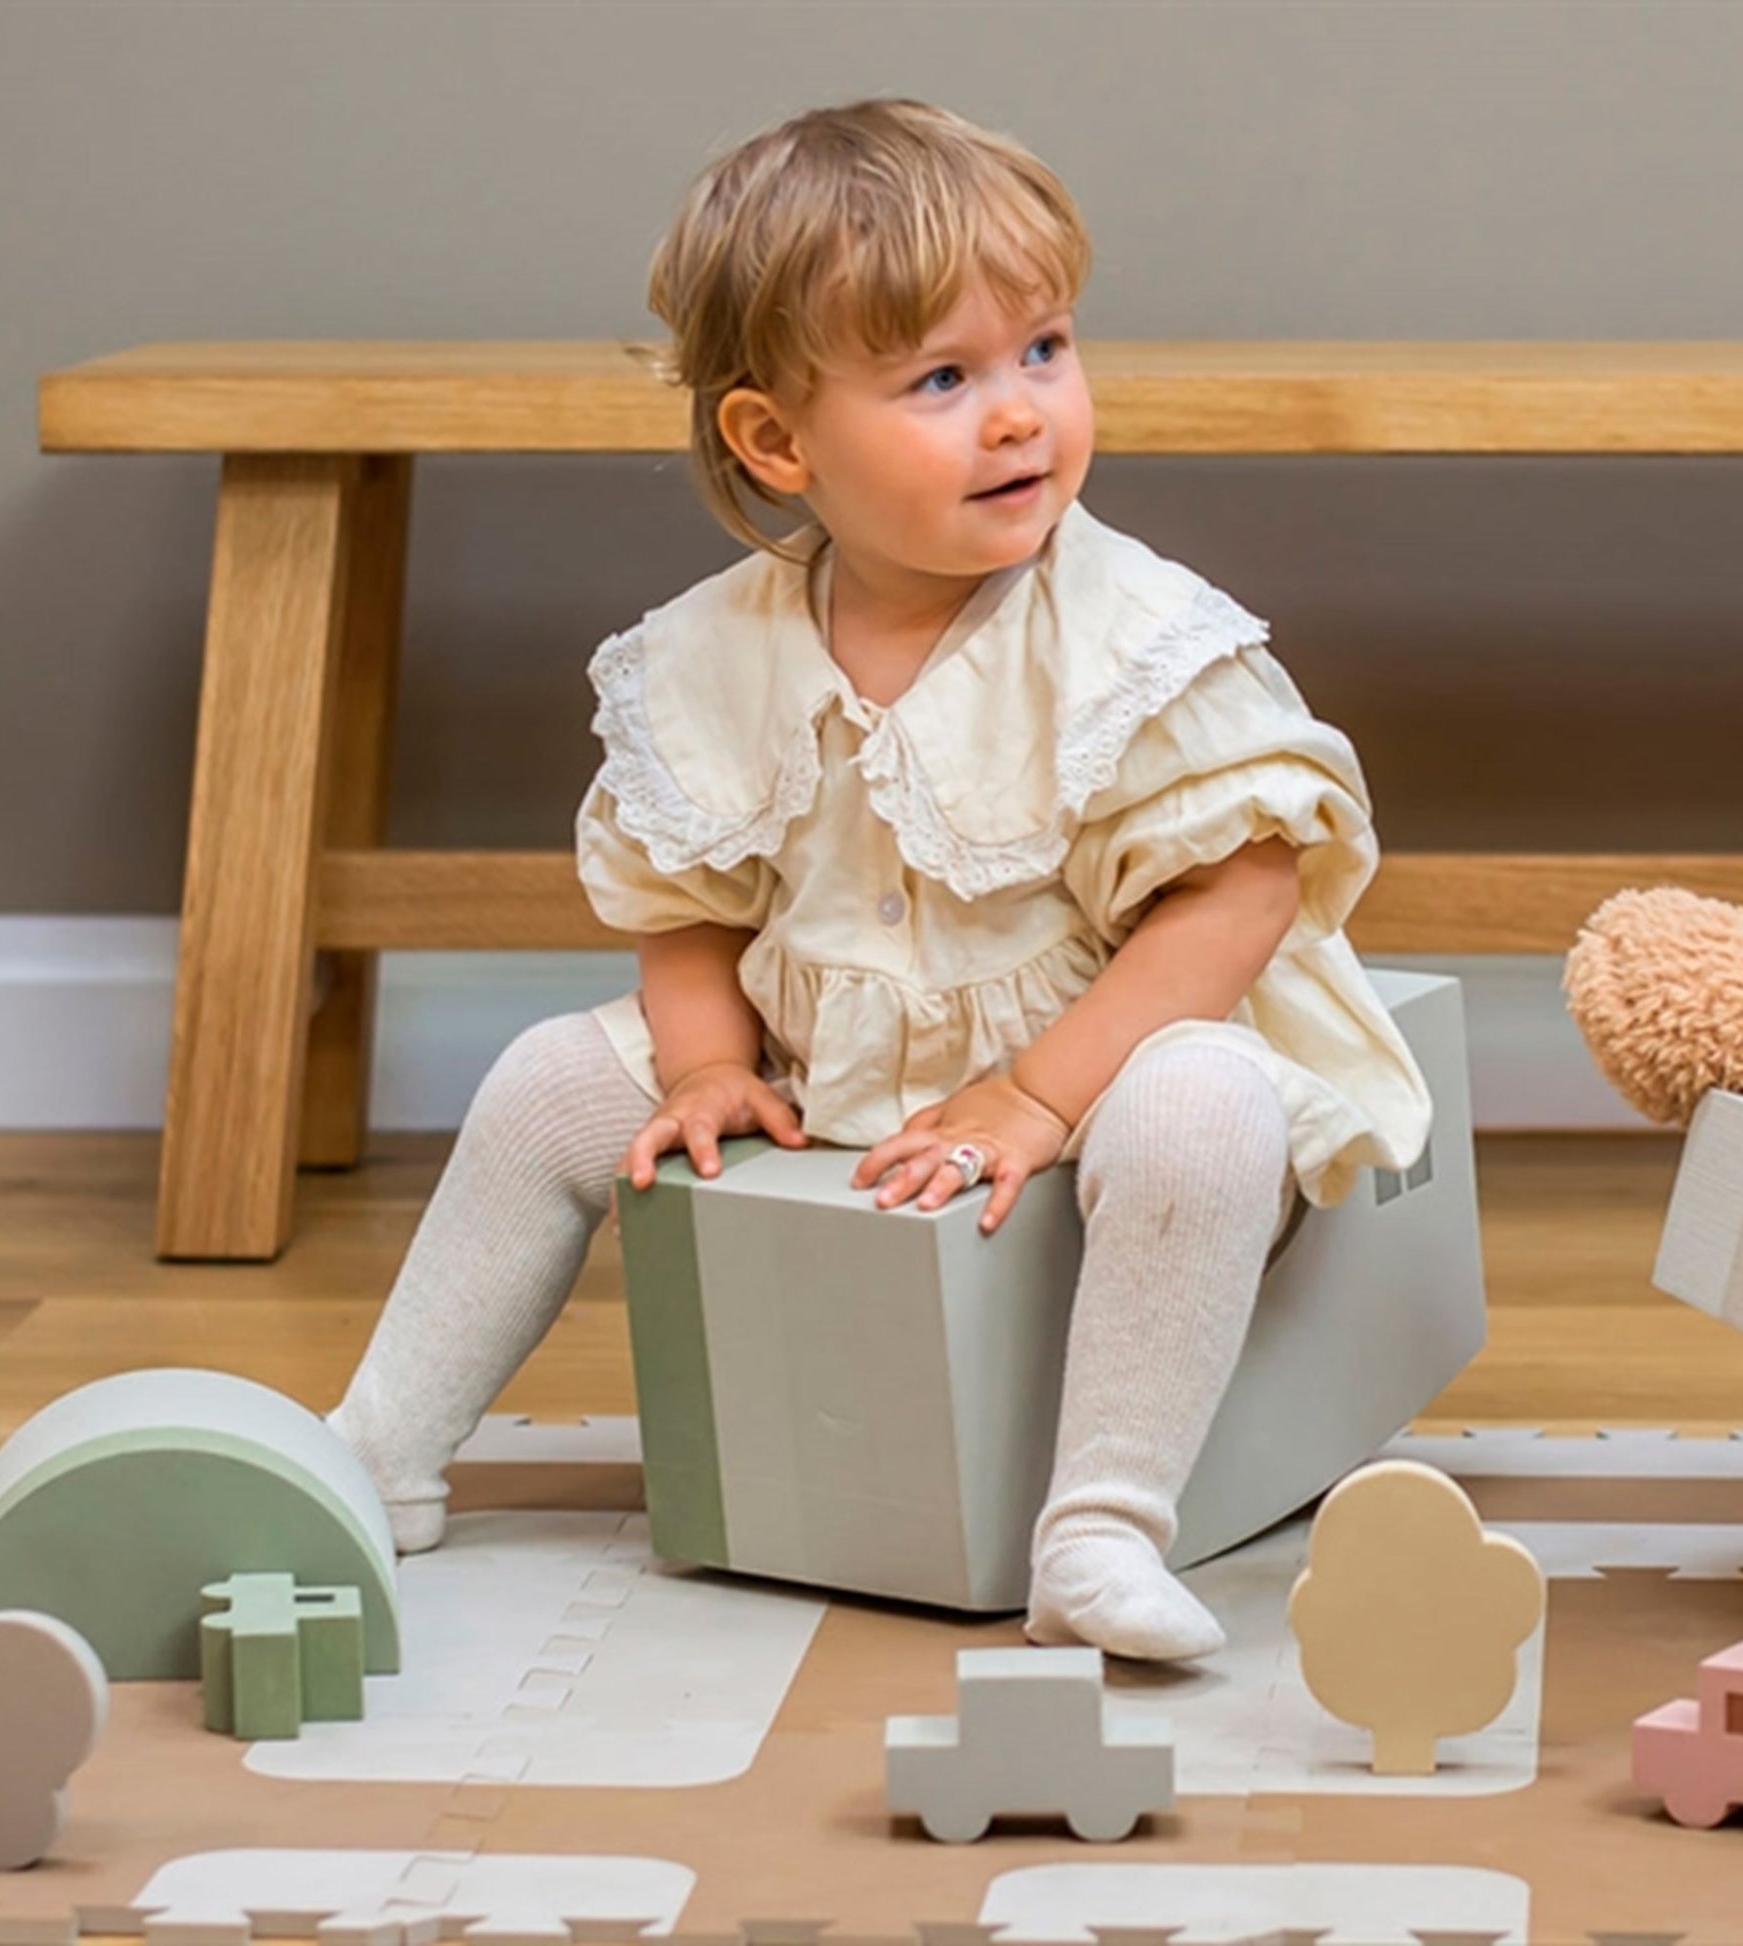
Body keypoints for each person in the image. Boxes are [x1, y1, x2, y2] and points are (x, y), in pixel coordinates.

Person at [329, 96, 1432, 1662]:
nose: (1018, 414)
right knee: (544, 1081)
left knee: (1211, 1105)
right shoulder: (720, 650)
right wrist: (710, 1063)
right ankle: (372, 1452)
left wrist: (1038, 1096)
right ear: (777, 440)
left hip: (1101, 1041)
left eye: (1042, 349)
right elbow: (684, 905)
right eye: (941, 379)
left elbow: (1238, 895)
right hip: (824, 1053)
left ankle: (1101, 1522)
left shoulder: (1131, 639)